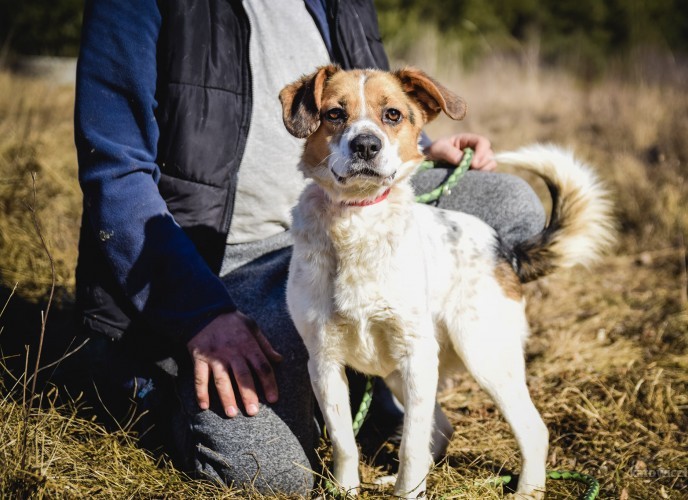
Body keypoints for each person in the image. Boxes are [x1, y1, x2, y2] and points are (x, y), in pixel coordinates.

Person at [73, 0, 546, 495]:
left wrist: (422, 148)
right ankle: (164, 381)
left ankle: (375, 368)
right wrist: (197, 314)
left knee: (511, 203)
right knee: (272, 475)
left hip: (362, 209)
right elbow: (114, 170)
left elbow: (371, 114)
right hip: (212, 262)